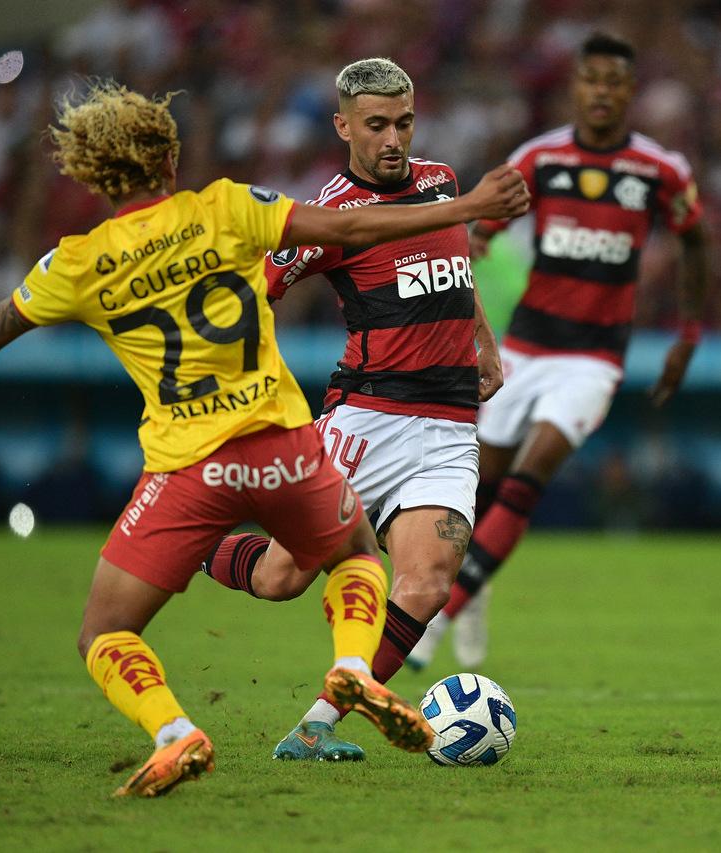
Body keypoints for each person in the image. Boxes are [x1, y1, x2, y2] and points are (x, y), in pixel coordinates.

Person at [0, 81, 528, 795]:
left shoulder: (76, 261)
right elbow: (337, 235)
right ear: (169, 158)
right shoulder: (227, 206)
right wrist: (471, 209)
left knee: (106, 632)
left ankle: (235, 723)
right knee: (332, 563)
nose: (395, 135)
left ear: (92, 174)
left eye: (404, 120)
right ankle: (342, 662)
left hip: (191, 462)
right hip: (291, 440)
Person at [198, 58, 503, 761]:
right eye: (376, 125)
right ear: (343, 126)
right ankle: (183, 547)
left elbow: (455, 262)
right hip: (367, 421)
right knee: (282, 577)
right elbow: (253, 295)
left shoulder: (440, 182)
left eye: (403, 122)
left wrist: (483, 339)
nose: (393, 138)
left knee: (426, 582)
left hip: (451, 425)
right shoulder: (328, 220)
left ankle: (316, 725)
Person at [407, 32, 709, 669]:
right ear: (576, 85)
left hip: (593, 360)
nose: (602, 91)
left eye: (615, 81)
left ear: (630, 92)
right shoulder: (540, 159)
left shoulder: (659, 169)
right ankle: (474, 593)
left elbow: (695, 239)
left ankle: (438, 617)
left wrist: (687, 335)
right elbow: (480, 227)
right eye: (591, 78)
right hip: (524, 349)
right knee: (478, 491)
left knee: (527, 479)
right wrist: (474, 248)